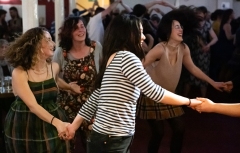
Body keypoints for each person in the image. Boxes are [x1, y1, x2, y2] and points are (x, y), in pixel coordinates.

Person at [64, 14, 201, 153]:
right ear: (129, 33)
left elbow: (96, 96)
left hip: (104, 136)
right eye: (140, 32)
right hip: (113, 138)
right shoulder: (127, 57)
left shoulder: (114, 56)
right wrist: (189, 102)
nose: (143, 37)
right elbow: (154, 92)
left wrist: (74, 126)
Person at [136, 9, 225, 153]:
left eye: (181, 26)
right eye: (177, 27)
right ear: (167, 30)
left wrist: (213, 82)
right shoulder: (160, 48)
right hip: (152, 96)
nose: (180, 29)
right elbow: (138, 66)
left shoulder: (184, 48)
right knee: (158, 133)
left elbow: (193, 69)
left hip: (170, 95)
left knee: (179, 129)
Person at [3, 27, 81, 153]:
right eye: (49, 40)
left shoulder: (54, 67)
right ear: (37, 44)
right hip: (25, 122)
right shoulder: (20, 72)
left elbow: (55, 81)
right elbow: (32, 105)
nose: (53, 44)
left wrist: (69, 87)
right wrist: (58, 123)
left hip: (52, 117)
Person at [52, 16, 102, 152]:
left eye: (82, 26)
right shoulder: (61, 52)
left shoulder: (95, 47)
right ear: (69, 32)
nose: (81, 30)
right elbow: (53, 77)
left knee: (92, 142)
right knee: (67, 142)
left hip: (92, 103)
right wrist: (68, 87)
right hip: (67, 103)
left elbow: (104, 72)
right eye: (76, 28)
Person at [184, 6, 218, 97]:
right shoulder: (192, 24)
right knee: (190, 74)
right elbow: (196, 37)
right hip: (193, 51)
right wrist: (205, 45)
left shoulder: (207, 24)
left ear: (205, 14)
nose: (198, 14)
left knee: (204, 73)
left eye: (200, 13)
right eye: (197, 13)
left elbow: (215, 38)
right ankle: (184, 98)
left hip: (204, 53)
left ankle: (204, 98)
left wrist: (208, 45)